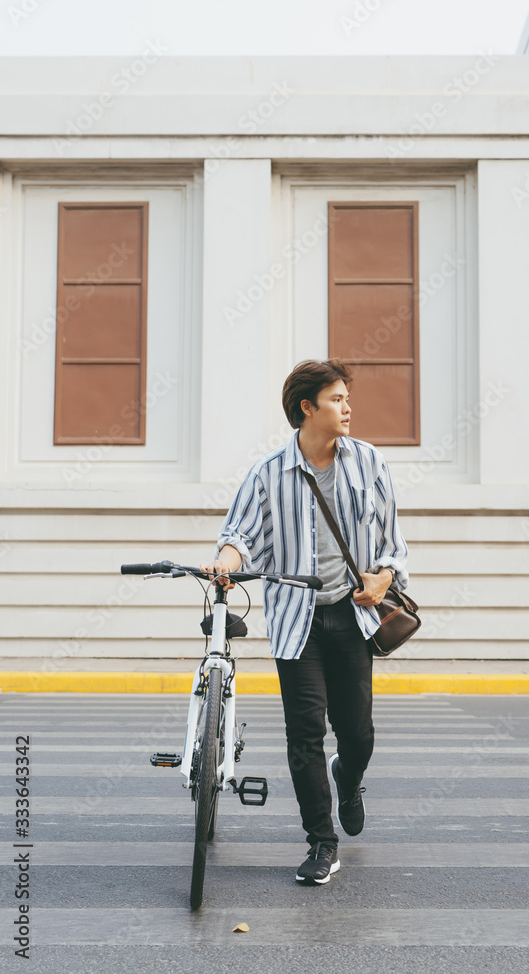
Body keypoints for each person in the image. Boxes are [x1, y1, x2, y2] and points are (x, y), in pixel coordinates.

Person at [201, 358, 409, 885]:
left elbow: (392, 544)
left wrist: (384, 577)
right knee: (304, 735)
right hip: (298, 621)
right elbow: (238, 535)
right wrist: (225, 566)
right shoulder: (268, 473)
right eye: (337, 399)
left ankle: (350, 774)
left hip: (354, 616)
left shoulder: (369, 463)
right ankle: (321, 842)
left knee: (357, 734)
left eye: (346, 398)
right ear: (307, 408)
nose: (348, 407)